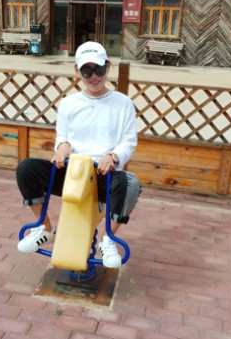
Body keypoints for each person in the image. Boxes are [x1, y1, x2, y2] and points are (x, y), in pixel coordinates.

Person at [16, 41, 141, 268]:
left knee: (131, 183)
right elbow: (63, 137)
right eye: (87, 71)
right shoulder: (69, 103)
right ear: (77, 71)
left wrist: (113, 157)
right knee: (27, 169)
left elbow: (128, 141)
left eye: (99, 70)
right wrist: (62, 147)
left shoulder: (123, 103)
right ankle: (44, 227)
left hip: (103, 173)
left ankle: (108, 239)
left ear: (107, 67)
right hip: (73, 172)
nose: (94, 77)